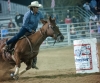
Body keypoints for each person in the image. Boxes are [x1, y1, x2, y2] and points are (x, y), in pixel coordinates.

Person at [3, 1, 46, 69]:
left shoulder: (39, 13)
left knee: (35, 43)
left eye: (38, 7)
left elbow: (42, 20)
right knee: (17, 36)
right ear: (33, 8)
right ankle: (7, 44)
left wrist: (47, 23)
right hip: (25, 29)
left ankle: (34, 62)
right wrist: (30, 30)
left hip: (33, 30)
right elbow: (25, 24)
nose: (38, 8)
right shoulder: (27, 14)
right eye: (37, 7)